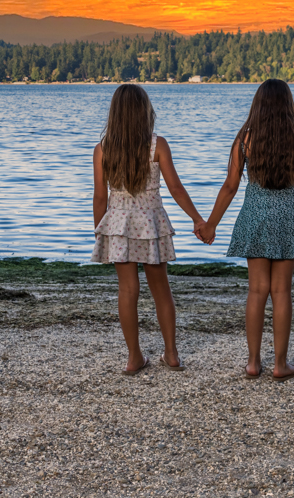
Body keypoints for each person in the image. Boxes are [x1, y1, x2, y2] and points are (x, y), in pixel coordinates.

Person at [198, 79, 294, 381]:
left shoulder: (244, 139)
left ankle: (253, 362)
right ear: (288, 106)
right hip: (289, 218)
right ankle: (280, 364)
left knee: (257, 290)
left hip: (255, 217)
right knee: (281, 290)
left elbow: (230, 186)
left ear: (257, 106)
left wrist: (211, 224)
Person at [92, 84, 206, 375]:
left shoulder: (103, 149)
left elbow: (100, 197)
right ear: (145, 112)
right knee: (161, 290)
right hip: (151, 223)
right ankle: (171, 354)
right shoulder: (158, 145)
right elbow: (176, 188)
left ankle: (134, 357)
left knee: (127, 290)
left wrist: (100, 232)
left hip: (118, 224)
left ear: (114, 114)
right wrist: (197, 219)